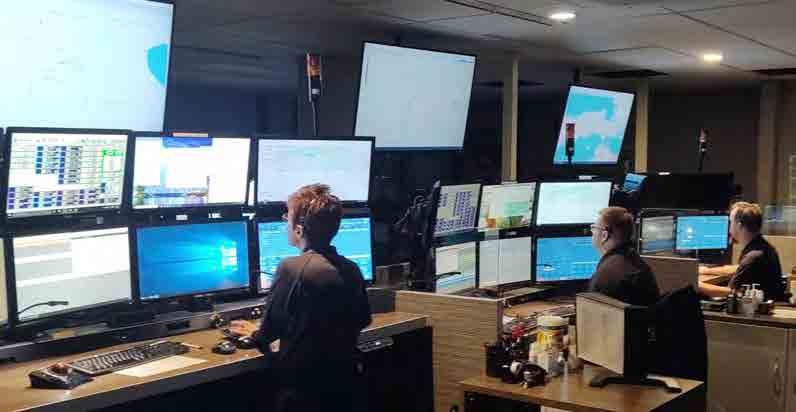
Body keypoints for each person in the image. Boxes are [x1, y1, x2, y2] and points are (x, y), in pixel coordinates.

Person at [229, 184, 372, 412]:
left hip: (303, 393)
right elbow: (363, 319)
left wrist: (253, 333)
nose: (285, 222)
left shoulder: (291, 268)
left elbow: (269, 333)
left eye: (287, 217)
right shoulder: (352, 269)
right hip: (345, 387)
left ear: (298, 230)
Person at [698, 202, 785, 300]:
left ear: (739, 226)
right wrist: (707, 270)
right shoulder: (762, 247)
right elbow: (739, 268)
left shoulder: (753, 257)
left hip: (754, 308)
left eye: (731, 222)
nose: (729, 226)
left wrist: (696, 284)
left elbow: (732, 292)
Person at [589, 206, 660, 306]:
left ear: (604, 235)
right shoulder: (637, 262)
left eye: (594, 227)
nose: (591, 231)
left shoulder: (605, 276)